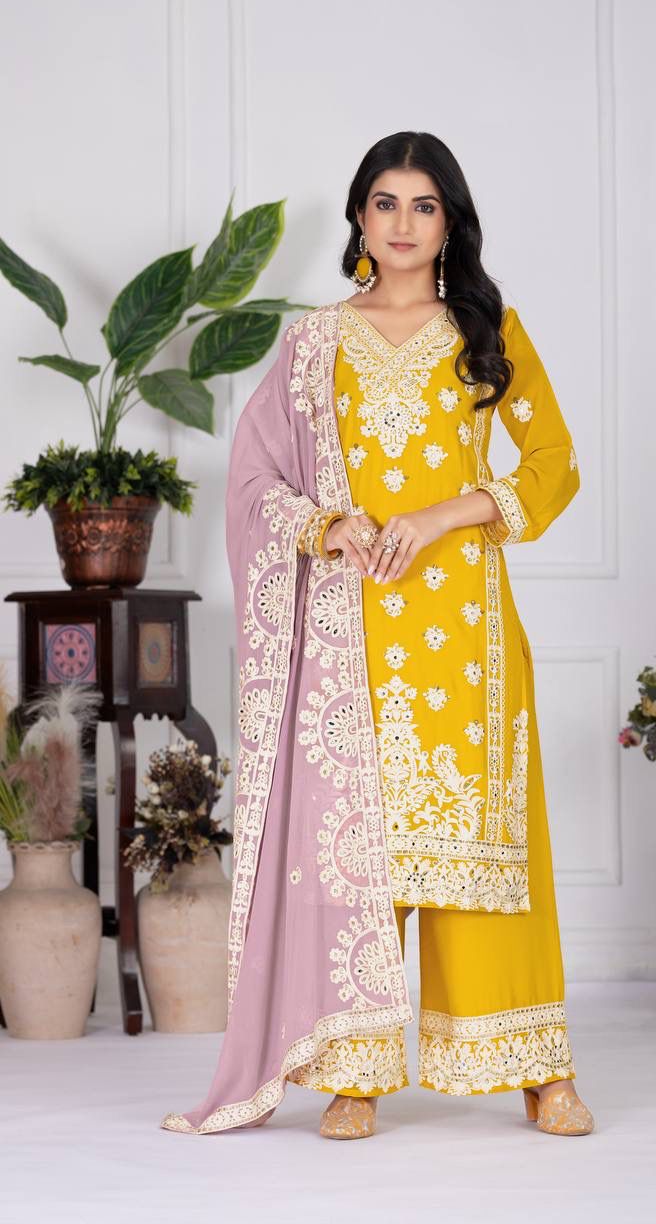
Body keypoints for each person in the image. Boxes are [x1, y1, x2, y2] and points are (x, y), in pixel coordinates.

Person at [160, 131, 593, 1141]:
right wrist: (328, 525)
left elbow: (553, 462)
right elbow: (257, 478)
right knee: (360, 851)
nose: (403, 222)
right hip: (350, 635)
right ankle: (353, 1069)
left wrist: (447, 513)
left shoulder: (488, 329)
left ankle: (538, 1066)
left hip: (466, 632)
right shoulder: (314, 343)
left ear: (450, 222)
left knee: (482, 852)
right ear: (359, 216)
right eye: (385, 202)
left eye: (424, 205)